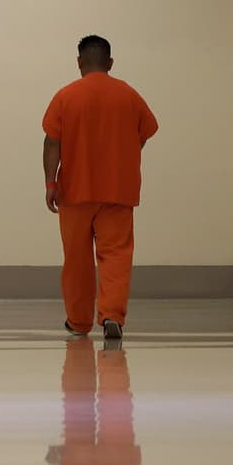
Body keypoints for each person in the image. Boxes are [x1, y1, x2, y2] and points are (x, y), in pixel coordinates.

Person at [42, 36, 159, 340]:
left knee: (77, 259)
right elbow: (144, 134)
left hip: (75, 192)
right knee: (116, 256)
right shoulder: (129, 96)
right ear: (110, 63)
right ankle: (112, 316)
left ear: (80, 62)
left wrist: (51, 183)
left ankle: (78, 321)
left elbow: (52, 142)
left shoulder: (65, 97)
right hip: (119, 191)